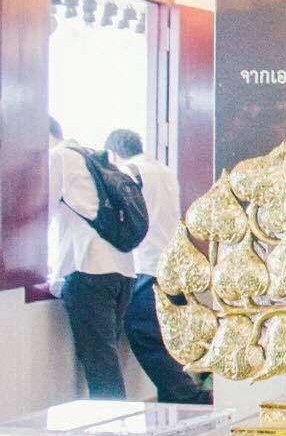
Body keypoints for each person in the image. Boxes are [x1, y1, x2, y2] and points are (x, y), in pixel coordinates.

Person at [105, 129, 209, 404]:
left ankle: (187, 396)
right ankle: (181, 396)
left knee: (145, 334)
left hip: (146, 264)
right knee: (170, 338)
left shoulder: (129, 172)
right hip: (172, 265)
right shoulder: (164, 171)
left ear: (113, 154)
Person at [48, 117, 137, 397]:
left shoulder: (58, 157)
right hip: (123, 270)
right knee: (106, 363)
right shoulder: (93, 158)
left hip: (89, 270)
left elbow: (41, 213)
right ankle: (114, 423)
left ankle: (111, 427)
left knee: (102, 368)